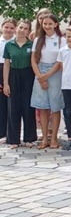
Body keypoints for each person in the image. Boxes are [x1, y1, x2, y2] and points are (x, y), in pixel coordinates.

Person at [31, 14, 63, 150]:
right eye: (45, 24)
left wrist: (47, 75)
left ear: (55, 24)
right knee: (43, 107)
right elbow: (33, 59)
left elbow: (60, 61)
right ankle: (44, 138)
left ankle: (54, 138)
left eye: (50, 24)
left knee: (55, 107)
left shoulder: (61, 40)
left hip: (55, 72)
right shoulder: (38, 39)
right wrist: (40, 76)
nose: (47, 26)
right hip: (40, 71)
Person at [3, 20, 36, 149]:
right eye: (20, 27)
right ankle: (13, 139)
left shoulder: (31, 44)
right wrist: (6, 83)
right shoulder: (9, 45)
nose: (22, 30)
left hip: (28, 75)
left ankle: (29, 137)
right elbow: (6, 64)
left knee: (28, 106)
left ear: (28, 31)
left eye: (25, 28)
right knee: (13, 107)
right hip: (14, 75)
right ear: (16, 28)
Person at [0, 19, 14, 144]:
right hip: (0, 71)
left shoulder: (16, 42)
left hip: (14, 71)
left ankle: (12, 133)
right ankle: (2, 133)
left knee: (13, 104)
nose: (8, 30)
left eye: (11, 28)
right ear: (2, 28)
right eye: (6, 27)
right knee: (2, 105)